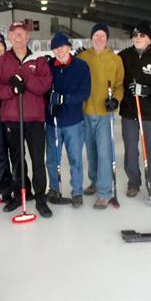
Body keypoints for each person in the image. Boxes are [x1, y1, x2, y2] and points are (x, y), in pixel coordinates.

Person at [0, 21, 53, 218]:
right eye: (14, 34)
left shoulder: (38, 60)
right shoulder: (1, 62)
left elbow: (45, 84)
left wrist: (27, 81)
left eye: (22, 34)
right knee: (17, 160)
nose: (18, 37)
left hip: (34, 119)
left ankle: (41, 197)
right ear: (9, 37)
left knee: (37, 160)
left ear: (27, 37)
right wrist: (13, 89)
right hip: (12, 119)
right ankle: (20, 195)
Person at [118, 22, 151, 207]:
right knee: (131, 152)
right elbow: (116, 80)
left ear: (149, 38)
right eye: (135, 35)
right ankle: (134, 183)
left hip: (150, 114)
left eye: (142, 35)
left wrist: (147, 90)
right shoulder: (124, 56)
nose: (138, 38)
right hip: (129, 113)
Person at [78, 23, 124, 209]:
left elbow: (119, 85)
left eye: (102, 36)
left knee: (105, 153)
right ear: (91, 38)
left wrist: (116, 100)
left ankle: (105, 192)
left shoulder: (115, 60)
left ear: (107, 39)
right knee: (91, 152)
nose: (99, 38)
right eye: (96, 35)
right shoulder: (82, 57)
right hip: (85, 112)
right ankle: (95, 181)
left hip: (105, 114)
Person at [0, 33, 33, 202]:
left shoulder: (12, 64)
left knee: (17, 153)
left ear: (5, 47)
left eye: (0, 45)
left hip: (11, 115)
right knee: (0, 155)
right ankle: (6, 191)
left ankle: (23, 187)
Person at [46, 32, 91, 208]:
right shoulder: (49, 66)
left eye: (63, 46)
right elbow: (42, 90)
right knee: (52, 158)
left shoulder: (81, 66)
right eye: (56, 48)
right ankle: (54, 188)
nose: (60, 50)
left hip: (74, 122)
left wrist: (63, 99)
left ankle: (77, 191)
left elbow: (84, 93)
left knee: (75, 158)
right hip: (53, 122)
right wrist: (50, 104)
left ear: (69, 47)